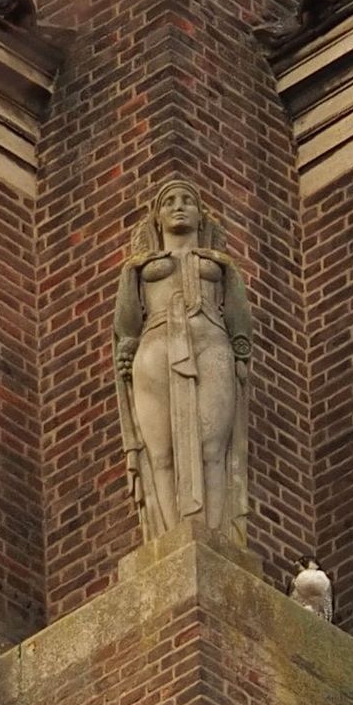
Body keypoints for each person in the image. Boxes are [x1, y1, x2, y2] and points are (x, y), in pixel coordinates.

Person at [114, 179, 252, 544]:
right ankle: (167, 534)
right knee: (161, 451)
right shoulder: (144, 265)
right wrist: (130, 275)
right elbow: (126, 326)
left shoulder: (217, 263)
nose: (178, 206)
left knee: (213, 447)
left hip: (211, 343)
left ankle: (214, 532)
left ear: (200, 215)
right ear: (157, 218)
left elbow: (238, 316)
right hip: (155, 347)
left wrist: (241, 353)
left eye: (187, 201)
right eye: (169, 202)